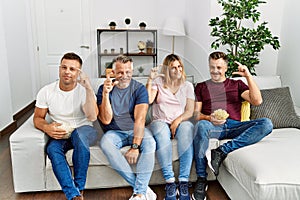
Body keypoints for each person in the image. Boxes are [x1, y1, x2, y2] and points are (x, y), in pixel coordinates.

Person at [192, 51, 273, 200]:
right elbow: (195, 115)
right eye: (212, 67)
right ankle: (201, 179)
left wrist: (247, 76)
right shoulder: (201, 87)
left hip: (234, 125)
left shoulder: (236, 84)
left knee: (266, 124)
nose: (215, 71)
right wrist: (209, 117)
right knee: (201, 125)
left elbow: (257, 101)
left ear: (226, 68)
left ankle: (221, 151)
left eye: (219, 67)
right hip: (212, 126)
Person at [33, 52, 99, 200]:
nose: (67, 72)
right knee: (52, 148)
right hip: (61, 133)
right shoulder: (47, 91)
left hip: (85, 130)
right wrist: (47, 127)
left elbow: (93, 116)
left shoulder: (84, 91)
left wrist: (88, 89)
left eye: (72, 69)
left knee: (79, 135)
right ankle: (74, 195)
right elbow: (37, 118)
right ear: (59, 69)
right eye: (64, 67)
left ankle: (79, 188)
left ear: (79, 72)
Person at [97, 55, 157, 200]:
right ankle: (143, 189)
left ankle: (138, 194)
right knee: (106, 143)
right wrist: (106, 94)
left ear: (132, 71)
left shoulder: (139, 89)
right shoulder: (103, 89)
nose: (124, 76)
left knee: (150, 143)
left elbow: (140, 118)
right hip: (114, 132)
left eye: (128, 72)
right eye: (120, 72)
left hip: (135, 129)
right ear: (113, 72)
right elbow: (106, 120)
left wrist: (135, 146)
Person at [146, 54, 195, 200]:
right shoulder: (158, 82)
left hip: (180, 121)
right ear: (167, 69)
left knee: (187, 129)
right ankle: (170, 182)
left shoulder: (187, 86)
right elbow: (148, 100)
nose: (177, 70)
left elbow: (190, 111)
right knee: (161, 132)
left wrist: (177, 121)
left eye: (179, 66)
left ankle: (184, 182)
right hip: (160, 121)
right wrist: (150, 79)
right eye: (173, 67)